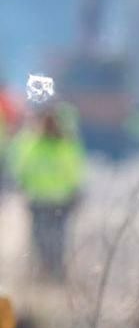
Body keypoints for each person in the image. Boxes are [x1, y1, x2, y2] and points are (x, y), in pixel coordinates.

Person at [6, 108, 86, 281]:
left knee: (49, 239)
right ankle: (47, 272)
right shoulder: (60, 145)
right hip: (48, 200)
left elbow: (22, 168)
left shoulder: (38, 144)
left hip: (49, 200)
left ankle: (50, 272)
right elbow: (74, 171)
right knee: (48, 239)